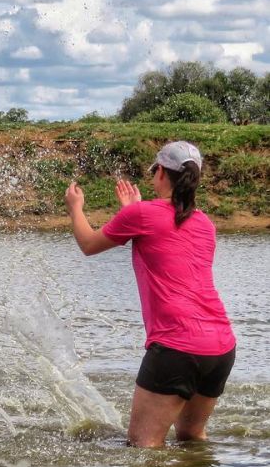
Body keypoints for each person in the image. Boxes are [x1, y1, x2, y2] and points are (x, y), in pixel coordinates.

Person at [64, 140, 236, 448]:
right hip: (220, 346)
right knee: (191, 437)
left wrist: (75, 208)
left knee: (144, 447)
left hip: (177, 347)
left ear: (160, 173)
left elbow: (89, 244)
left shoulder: (143, 215)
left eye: (153, 170)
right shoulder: (205, 223)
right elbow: (165, 242)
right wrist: (133, 211)